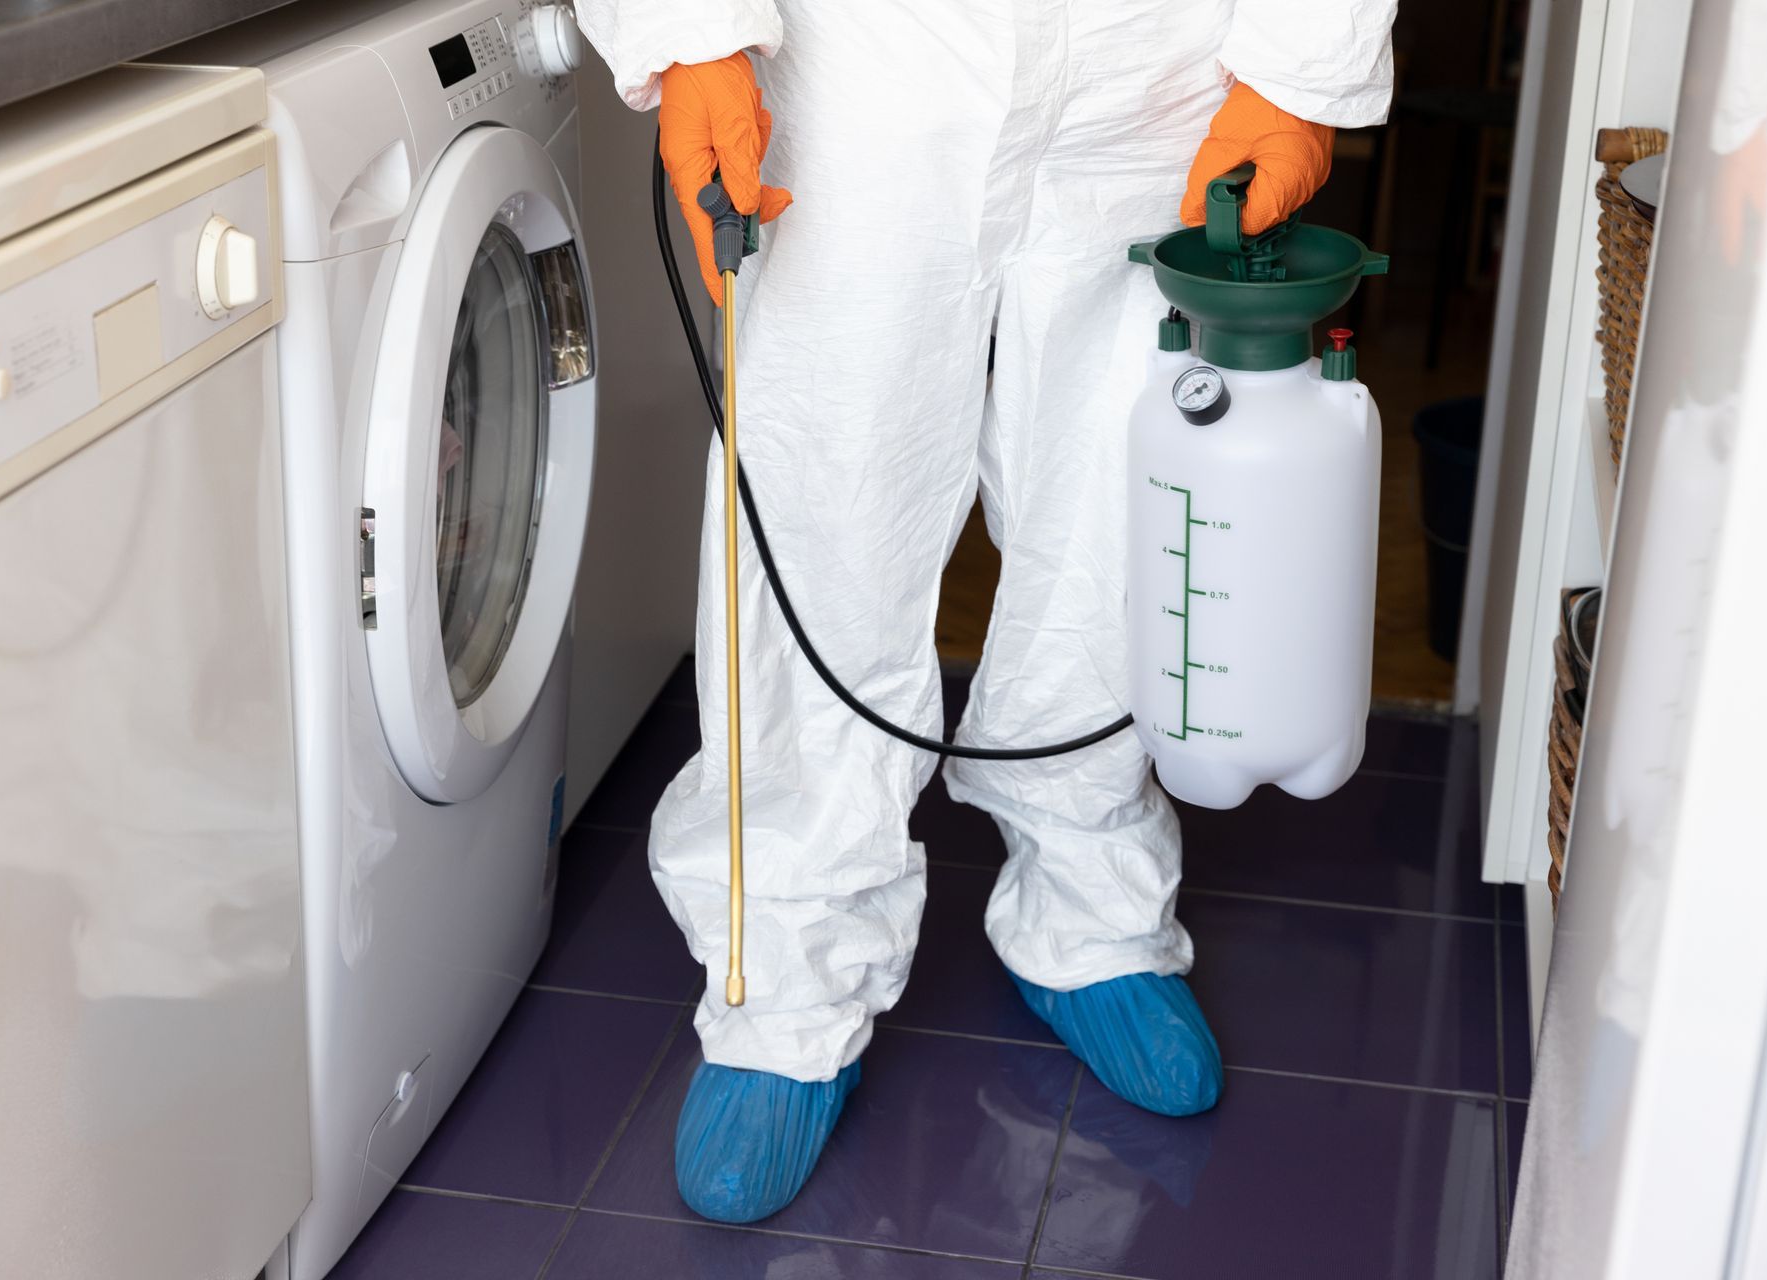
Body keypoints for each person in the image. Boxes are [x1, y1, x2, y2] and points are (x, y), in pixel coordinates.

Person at [574, 0, 1397, 1224]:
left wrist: (1300, 67)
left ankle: (1093, 902)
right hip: (868, 46)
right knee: (824, 496)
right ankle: (787, 982)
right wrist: (689, 32)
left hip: (1159, 51)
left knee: (1130, 491)